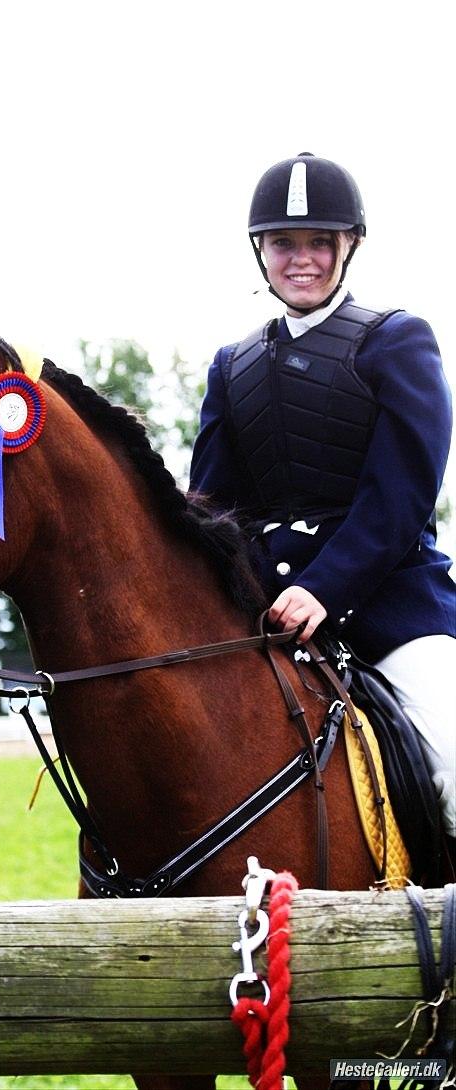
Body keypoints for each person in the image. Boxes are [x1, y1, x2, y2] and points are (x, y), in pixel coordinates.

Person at [189, 152, 456, 850]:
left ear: (350, 246)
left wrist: (322, 588)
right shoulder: (231, 366)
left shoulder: (397, 340)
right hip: (266, 610)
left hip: (389, 602)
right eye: (284, 244)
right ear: (261, 252)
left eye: (318, 243)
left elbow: (400, 499)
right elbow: (214, 509)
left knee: (455, 765)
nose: (300, 260)